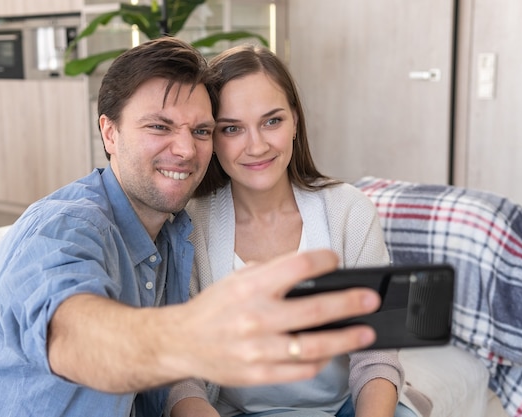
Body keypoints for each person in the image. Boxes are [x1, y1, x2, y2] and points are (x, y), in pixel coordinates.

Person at [0, 37, 383, 417]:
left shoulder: (174, 234)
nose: (184, 149)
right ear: (110, 133)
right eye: (159, 126)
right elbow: (69, 334)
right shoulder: (66, 226)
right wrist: (193, 335)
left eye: (201, 130)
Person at [167, 44, 419, 417]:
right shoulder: (190, 226)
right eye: (232, 128)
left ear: (296, 122)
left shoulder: (349, 211)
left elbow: (377, 355)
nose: (257, 146)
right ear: (212, 139)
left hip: (347, 407)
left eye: (272, 121)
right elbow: (181, 373)